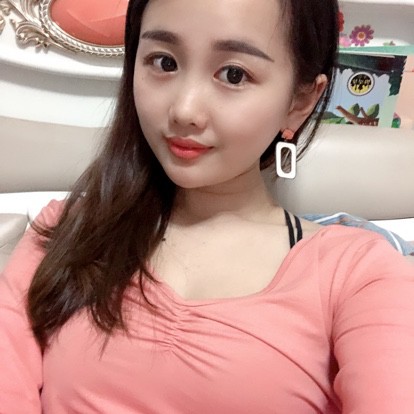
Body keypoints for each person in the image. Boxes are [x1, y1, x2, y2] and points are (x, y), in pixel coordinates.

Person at [1, 0, 414, 412]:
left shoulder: (359, 274)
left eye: (234, 74)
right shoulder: (66, 230)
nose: (184, 110)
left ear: (300, 101)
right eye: (164, 63)